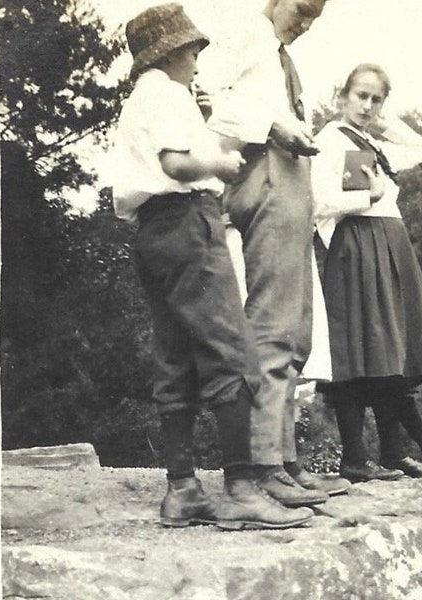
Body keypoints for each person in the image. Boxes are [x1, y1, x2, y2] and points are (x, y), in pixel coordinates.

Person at [110, 3, 315, 530]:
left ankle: (183, 490)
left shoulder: (142, 99)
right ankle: (243, 488)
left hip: (151, 231)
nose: (199, 63)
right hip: (189, 224)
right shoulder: (168, 92)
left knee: (175, 355)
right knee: (232, 353)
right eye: (194, 53)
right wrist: (221, 164)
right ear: (174, 52)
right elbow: (176, 164)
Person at [207, 0, 350, 506]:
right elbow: (203, 92)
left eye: (315, 18)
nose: (305, 24)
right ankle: (263, 463)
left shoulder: (277, 55)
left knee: (295, 329)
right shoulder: (242, 31)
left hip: (291, 181)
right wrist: (272, 124)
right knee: (272, 324)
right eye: (302, 9)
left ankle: (285, 460)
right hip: (265, 172)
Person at [311, 63, 422, 482]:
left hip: (387, 244)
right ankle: (358, 458)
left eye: (377, 99)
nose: (368, 105)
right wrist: (367, 195)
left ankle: (395, 453)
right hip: (359, 246)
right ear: (342, 95)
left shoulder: (365, 140)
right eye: (360, 95)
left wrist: (381, 120)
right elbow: (320, 204)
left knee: (390, 353)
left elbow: (421, 148)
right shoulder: (334, 140)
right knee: (361, 356)